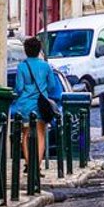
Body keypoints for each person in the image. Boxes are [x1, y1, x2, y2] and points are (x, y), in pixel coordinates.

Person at [10, 35, 66, 166]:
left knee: (25, 134)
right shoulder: (46, 66)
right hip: (40, 105)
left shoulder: (22, 67)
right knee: (41, 134)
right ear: (38, 50)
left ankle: (29, 164)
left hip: (24, 105)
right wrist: (42, 88)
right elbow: (52, 86)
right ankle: (37, 165)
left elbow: (18, 88)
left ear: (25, 50)